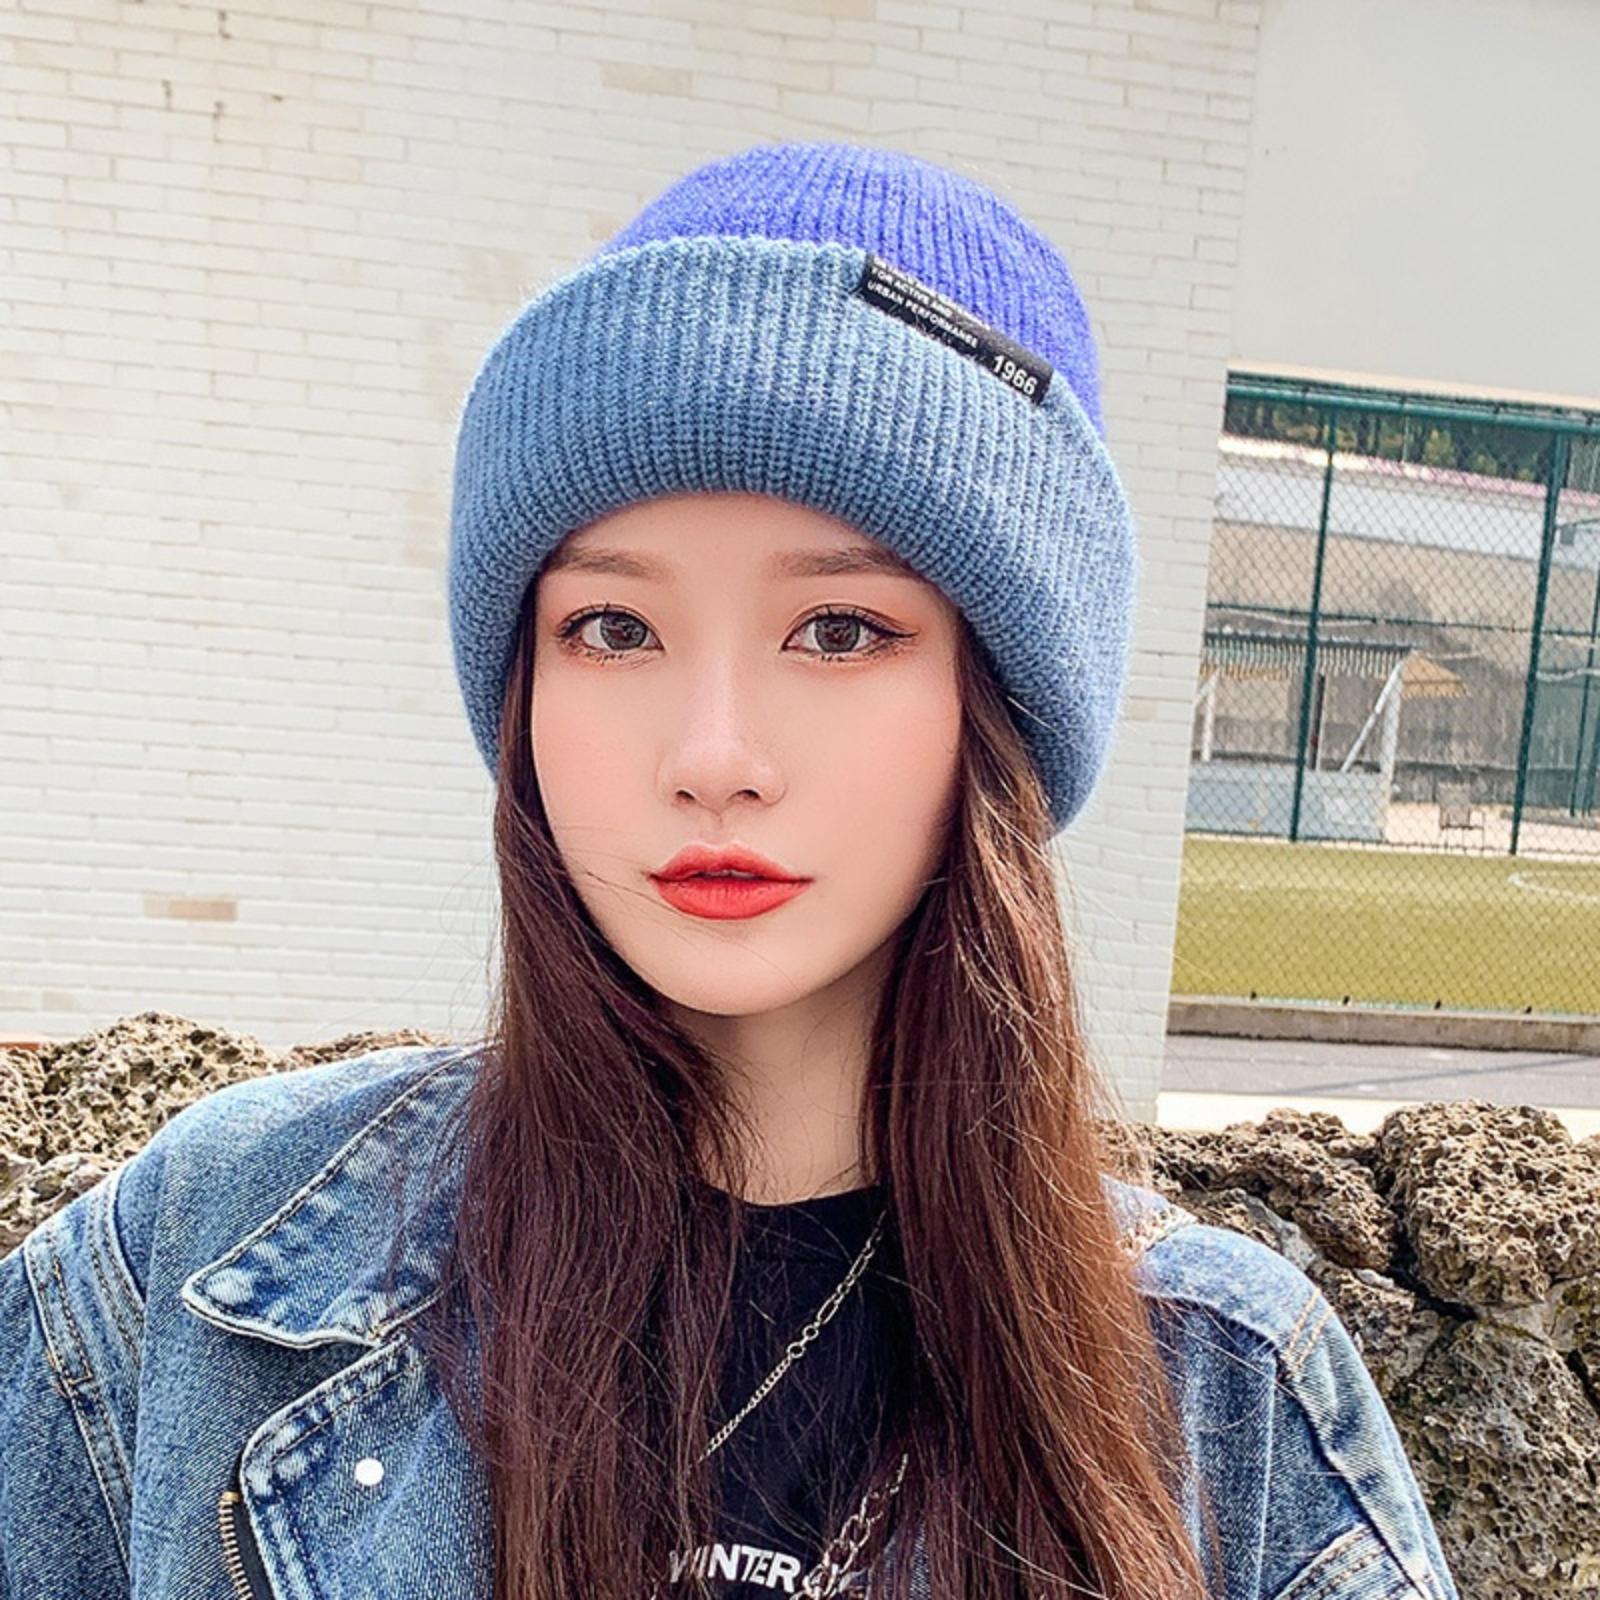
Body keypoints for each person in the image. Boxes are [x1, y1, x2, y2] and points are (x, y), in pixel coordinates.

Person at [0, 140, 1461, 1600]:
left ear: (997, 708)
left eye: (839, 631)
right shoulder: (206, 1257)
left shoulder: (1229, 1400)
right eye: (613, 630)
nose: (713, 757)